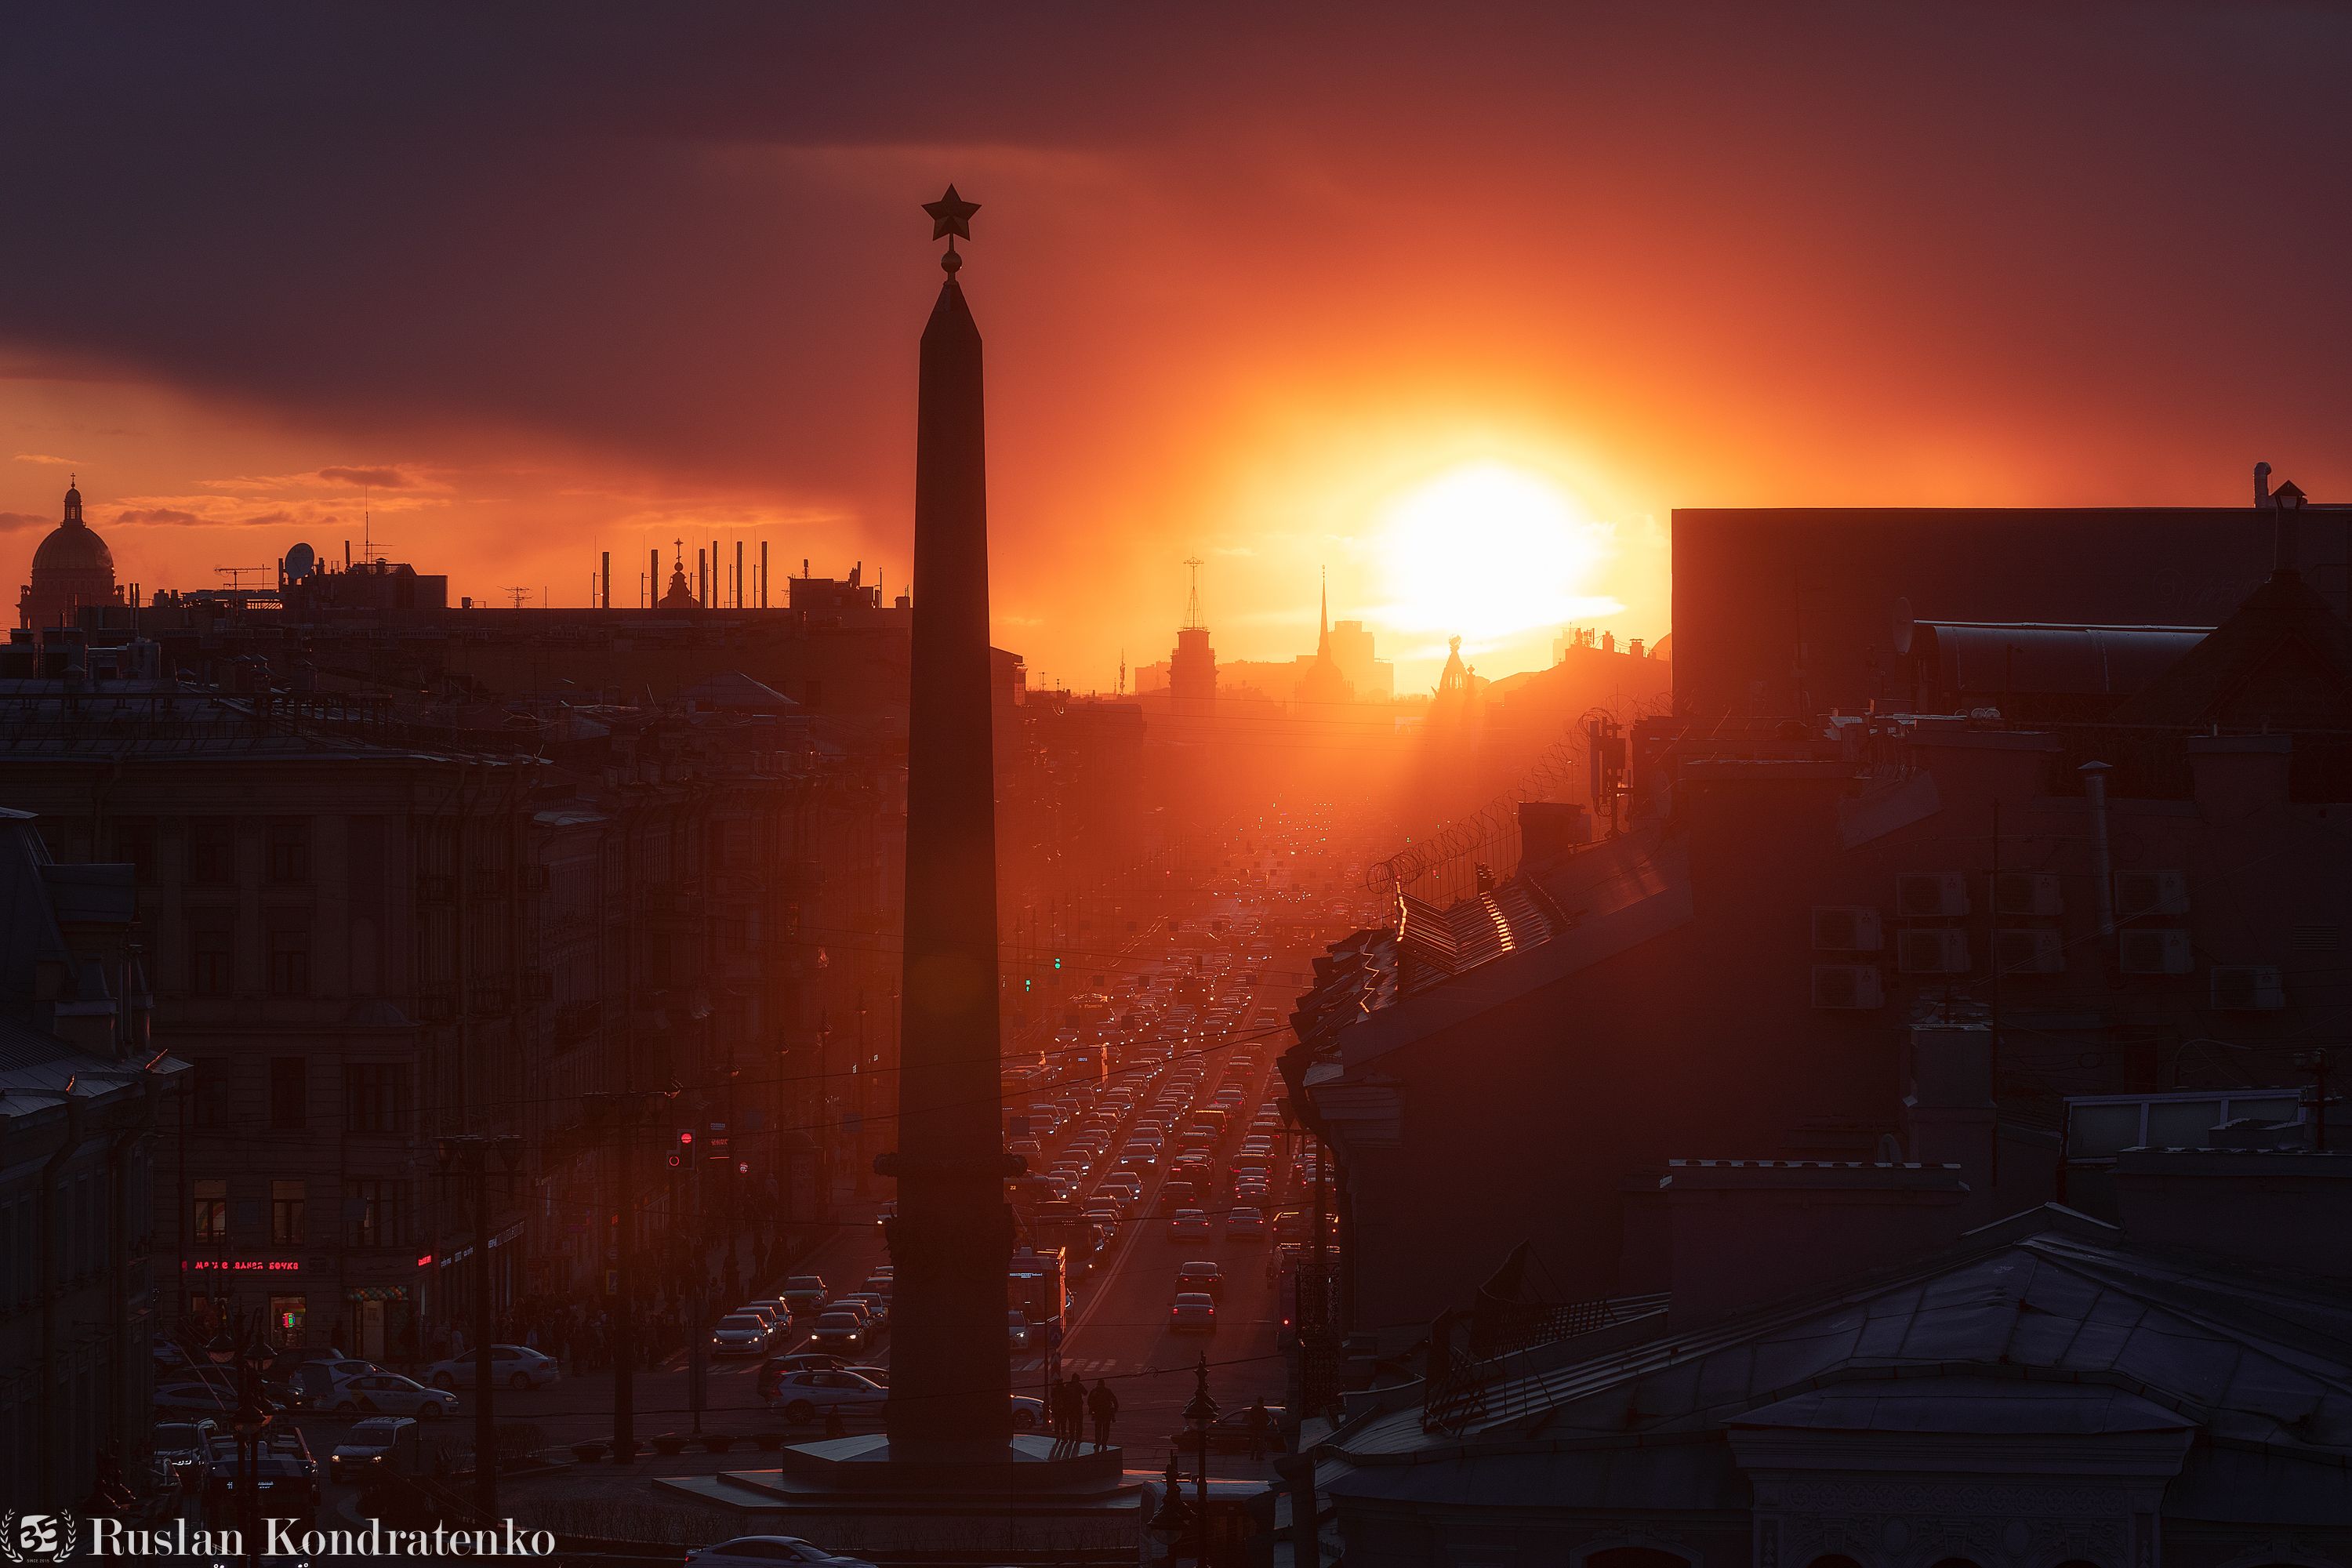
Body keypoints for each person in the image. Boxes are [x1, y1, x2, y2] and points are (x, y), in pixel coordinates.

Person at [1088, 1377, 1119, 1450]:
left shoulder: (1095, 1391)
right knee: (1105, 1429)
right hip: (1106, 1413)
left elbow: (1089, 1401)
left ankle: (1098, 1444)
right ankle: (1103, 1444)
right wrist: (1115, 1409)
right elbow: (1115, 1400)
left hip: (1099, 1413)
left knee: (1098, 1429)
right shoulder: (1107, 1391)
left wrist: (1092, 1408)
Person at [1246, 1397, 1272, 1461]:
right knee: (1261, 1443)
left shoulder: (1253, 1409)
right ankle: (1258, 1456)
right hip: (1261, 1428)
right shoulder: (1264, 1410)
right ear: (1263, 1402)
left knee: (1254, 1442)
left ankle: (1252, 1456)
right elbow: (1267, 1419)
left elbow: (1250, 1417)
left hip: (1255, 1428)